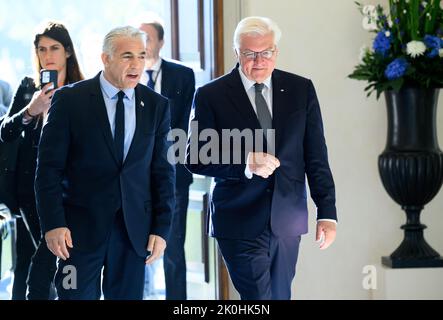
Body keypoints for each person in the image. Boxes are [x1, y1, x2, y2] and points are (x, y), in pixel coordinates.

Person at [185, 16, 337, 300]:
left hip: (287, 218)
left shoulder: (301, 89)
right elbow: (195, 155)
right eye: (249, 54)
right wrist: (245, 161)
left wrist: (327, 212)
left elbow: (316, 154)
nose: (258, 61)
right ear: (237, 53)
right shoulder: (210, 95)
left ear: (276, 51)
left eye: (266, 52)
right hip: (238, 218)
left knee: (279, 296)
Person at [35, 26, 175, 300]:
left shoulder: (157, 106)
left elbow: (162, 172)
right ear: (106, 59)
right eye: (126, 56)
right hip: (75, 235)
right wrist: (53, 224)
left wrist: (162, 228)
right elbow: (48, 170)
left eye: (141, 55)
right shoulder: (70, 100)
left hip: (133, 232)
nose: (136, 64)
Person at [0, 21, 84, 300]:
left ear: (68, 52)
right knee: (26, 263)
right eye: (41, 49)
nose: (47, 55)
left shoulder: (82, 91)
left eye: (55, 48)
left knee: (55, 263)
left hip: (65, 194)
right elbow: (5, 132)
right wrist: (30, 110)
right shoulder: (28, 87)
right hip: (26, 191)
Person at [138, 19, 195, 300]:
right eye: (139, 38)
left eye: (148, 38)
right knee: (135, 248)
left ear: (160, 42)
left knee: (173, 248)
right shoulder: (127, 74)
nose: (143, 43)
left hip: (173, 175)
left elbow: (185, 126)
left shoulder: (183, 76)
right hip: (134, 178)